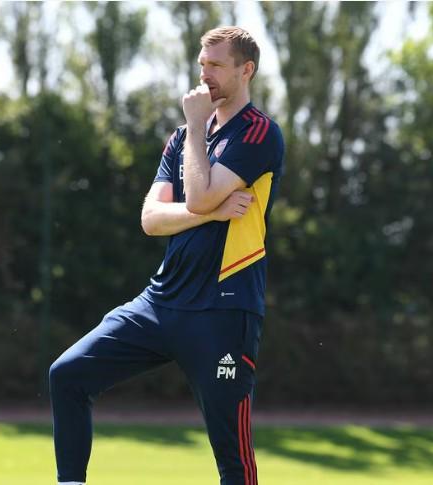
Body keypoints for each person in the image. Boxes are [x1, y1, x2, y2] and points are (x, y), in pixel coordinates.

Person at [49, 26, 285, 485]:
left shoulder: (259, 133)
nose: (204, 75)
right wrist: (210, 212)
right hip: (159, 305)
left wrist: (196, 131)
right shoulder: (180, 140)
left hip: (223, 310)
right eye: (202, 64)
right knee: (67, 375)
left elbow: (196, 195)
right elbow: (151, 219)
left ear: (246, 70)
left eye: (216, 65)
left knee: (233, 458)